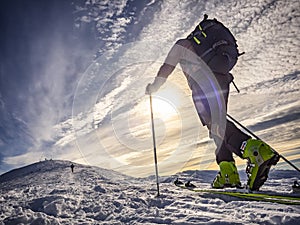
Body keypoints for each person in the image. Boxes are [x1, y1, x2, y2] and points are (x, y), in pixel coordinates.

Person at [145, 15, 279, 191]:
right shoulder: (208, 47)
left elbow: (166, 67)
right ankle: (228, 174)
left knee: (215, 124)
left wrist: (154, 86)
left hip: (203, 80)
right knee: (216, 127)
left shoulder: (182, 45)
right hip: (222, 78)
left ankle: (255, 151)